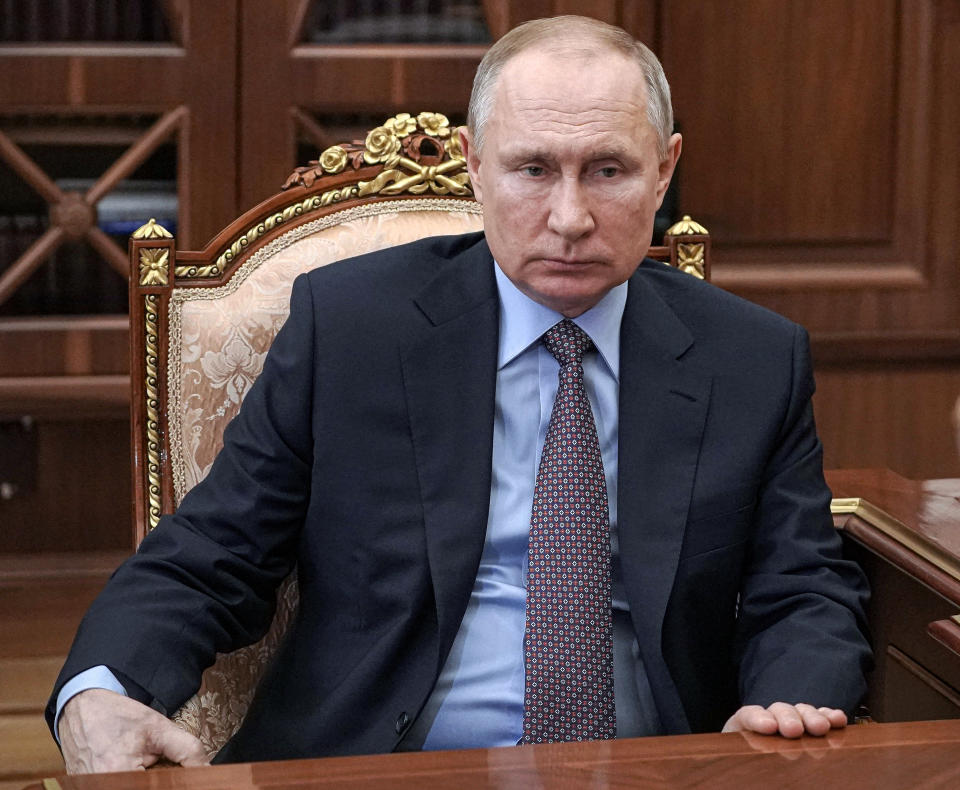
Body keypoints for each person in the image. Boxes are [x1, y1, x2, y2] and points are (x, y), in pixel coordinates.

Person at [48, 15, 871, 773]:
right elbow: (211, 555)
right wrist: (100, 688)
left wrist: (786, 701)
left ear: (665, 171)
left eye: (609, 170)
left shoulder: (752, 358)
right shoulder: (353, 329)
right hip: (374, 766)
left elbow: (802, 585)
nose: (571, 216)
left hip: (653, 766)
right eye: (533, 169)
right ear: (476, 165)